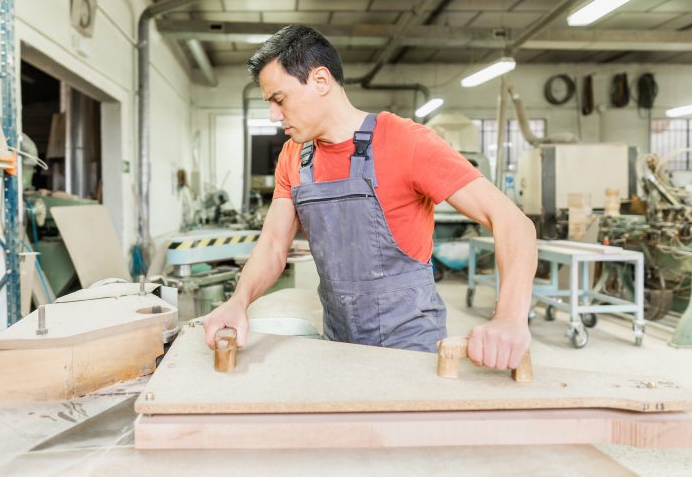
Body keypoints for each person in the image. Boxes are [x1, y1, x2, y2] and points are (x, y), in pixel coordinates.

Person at [203, 25, 537, 370]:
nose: (274, 116)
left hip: (408, 346)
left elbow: (514, 223)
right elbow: (273, 245)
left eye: (279, 99)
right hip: (338, 339)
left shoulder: (406, 142)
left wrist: (510, 317)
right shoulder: (294, 156)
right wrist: (238, 301)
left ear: (320, 81)